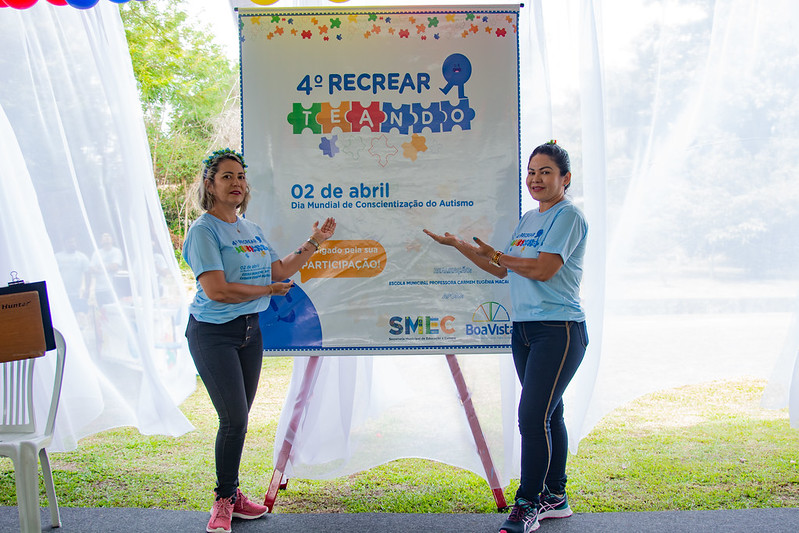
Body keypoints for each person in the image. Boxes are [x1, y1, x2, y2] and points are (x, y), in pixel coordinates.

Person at [424, 141, 588, 533]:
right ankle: (556, 496)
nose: (536, 179)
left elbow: (543, 269)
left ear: (565, 178)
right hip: (525, 329)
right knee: (551, 414)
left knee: (532, 418)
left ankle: (528, 502)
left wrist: (499, 256)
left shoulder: (568, 217)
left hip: (559, 330)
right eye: (531, 172)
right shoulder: (529, 220)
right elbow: (502, 270)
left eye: (546, 172)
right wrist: (459, 246)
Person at [183, 148, 336, 533]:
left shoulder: (249, 229)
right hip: (213, 333)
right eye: (226, 177)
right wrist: (267, 289)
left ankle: (232, 496)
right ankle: (223, 500)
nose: (236, 184)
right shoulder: (203, 231)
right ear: (209, 185)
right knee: (233, 418)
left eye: (240, 177)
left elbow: (280, 268)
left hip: (249, 332)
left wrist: (314, 241)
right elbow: (216, 290)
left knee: (240, 420)